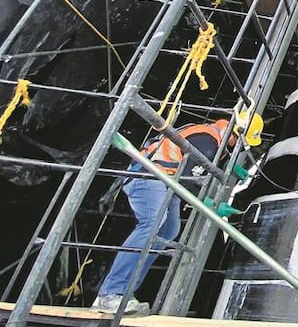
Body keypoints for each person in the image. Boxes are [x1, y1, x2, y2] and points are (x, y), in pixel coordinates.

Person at [92, 112, 262, 314]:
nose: (238, 147)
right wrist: (212, 205)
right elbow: (189, 180)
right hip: (149, 175)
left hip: (166, 181)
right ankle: (110, 294)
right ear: (236, 132)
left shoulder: (212, 137)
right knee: (152, 224)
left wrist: (230, 167)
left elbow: (197, 163)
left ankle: (125, 294)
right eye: (240, 143)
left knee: (168, 231)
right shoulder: (208, 140)